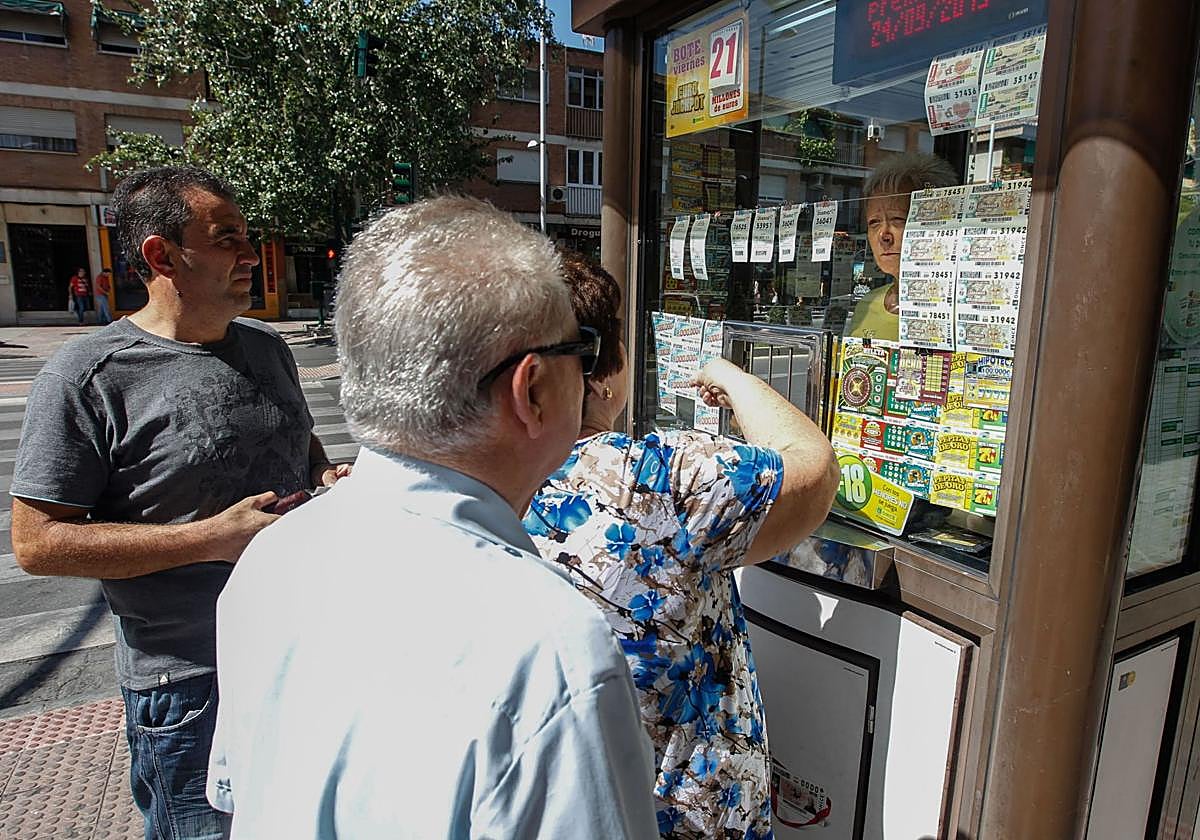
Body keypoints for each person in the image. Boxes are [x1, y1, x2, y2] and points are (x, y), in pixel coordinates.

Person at [206, 197, 659, 839]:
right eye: (580, 351)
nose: (591, 376)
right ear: (531, 389)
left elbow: (242, 795)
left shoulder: (275, 555)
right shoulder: (550, 650)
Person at [11, 165, 349, 840]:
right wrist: (211, 538)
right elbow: (37, 542)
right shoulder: (88, 377)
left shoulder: (267, 348)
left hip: (304, 656)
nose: (250, 254)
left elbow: (298, 440)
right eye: (227, 239)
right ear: (162, 255)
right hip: (193, 689)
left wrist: (325, 472)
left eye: (247, 236)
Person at [524, 253, 841, 838]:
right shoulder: (659, 480)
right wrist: (734, 378)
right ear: (601, 371)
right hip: (690, 815)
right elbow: (814, 472)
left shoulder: (484, 483)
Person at [846, 152, 959, 340]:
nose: (884, 235)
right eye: (874, 222)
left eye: (898, 220)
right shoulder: (867, 305)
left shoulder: (960, 311)